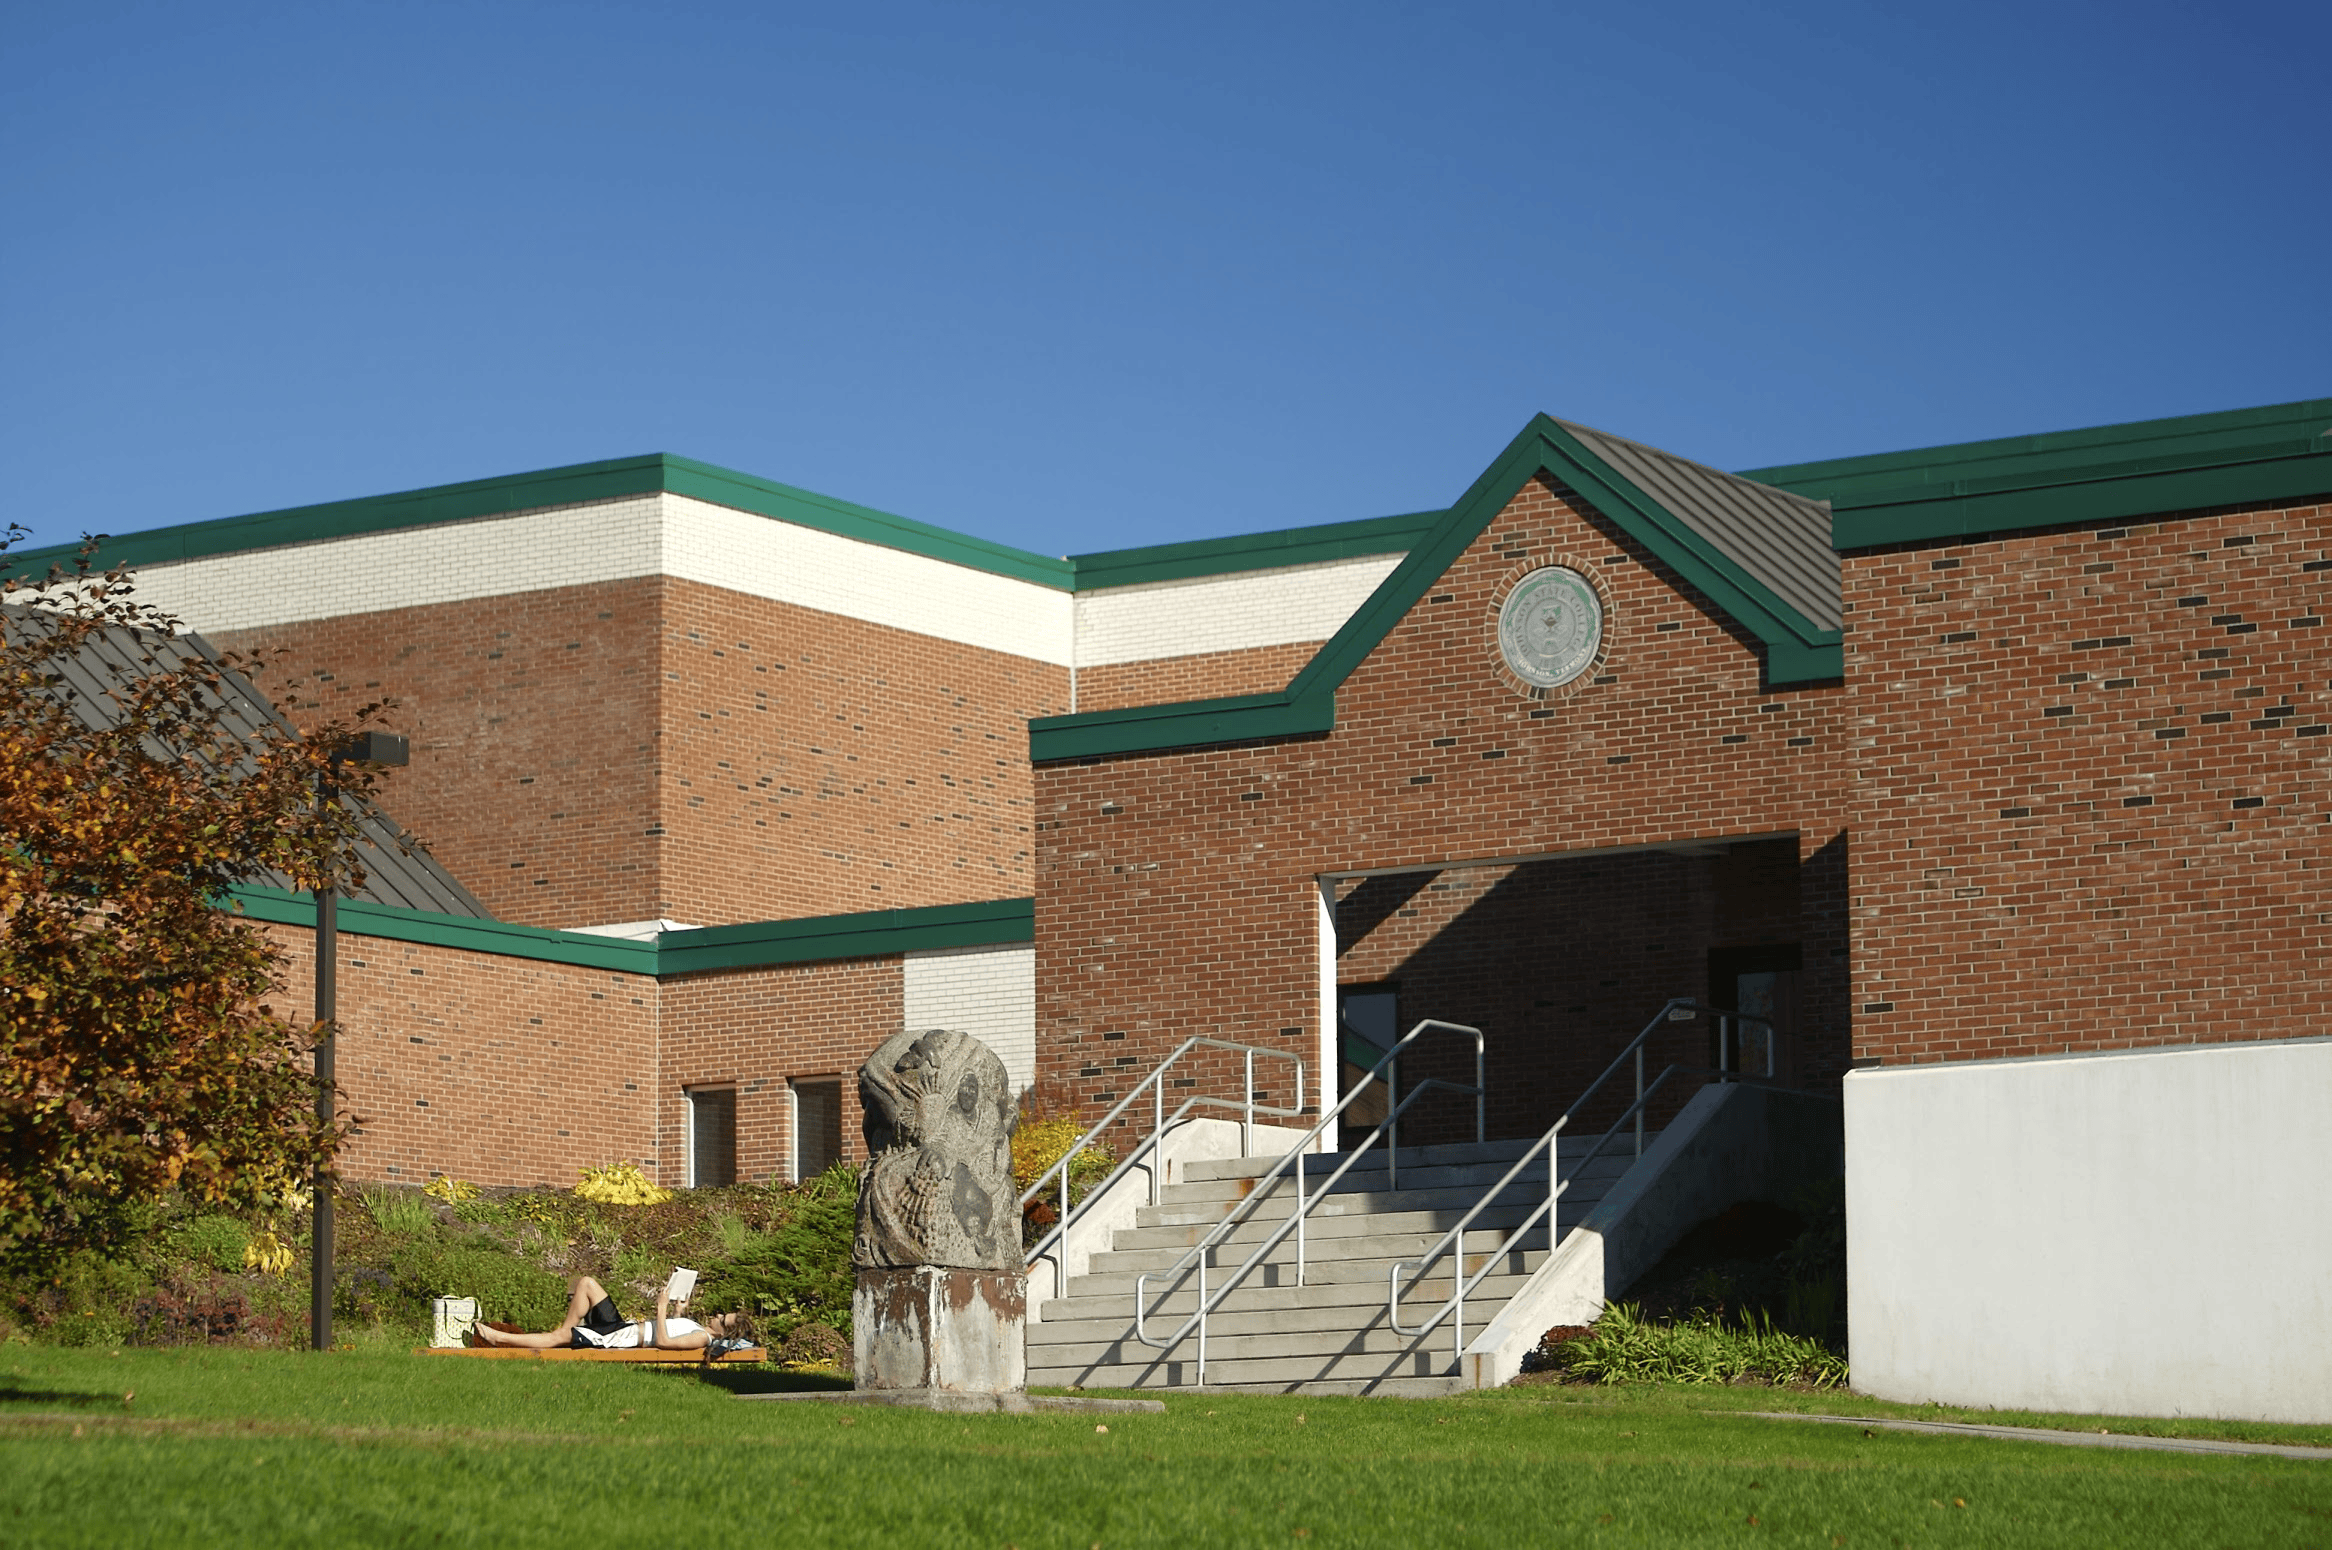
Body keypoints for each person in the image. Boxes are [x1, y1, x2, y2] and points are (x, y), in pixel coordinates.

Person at [471, 1273, 748, 1352]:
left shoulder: (703, 1339)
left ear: (725, 1332)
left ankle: (498, 1338)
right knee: (587, 1283)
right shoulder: (699, 1329)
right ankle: (562, 1333)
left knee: (561, 1336)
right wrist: (678, 1312)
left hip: (619, 1338)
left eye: (723, 1319)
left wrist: (662, 1309)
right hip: (623, 1326)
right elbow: (673, 1332)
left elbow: (663, 1342)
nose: (718, 1315)